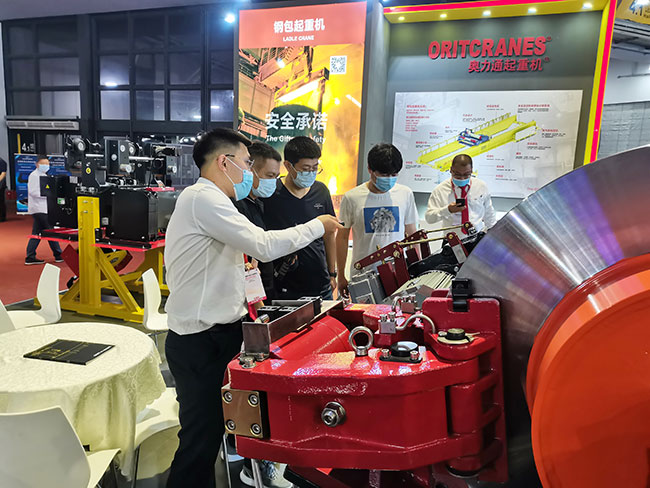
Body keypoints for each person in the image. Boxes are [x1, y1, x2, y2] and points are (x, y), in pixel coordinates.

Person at [163, 128, 341, 488]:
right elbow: (263, 244)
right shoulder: (203, 198)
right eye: (247, 164)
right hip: (201, 340)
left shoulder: (216, 201)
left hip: (219, 333)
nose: (251, 173)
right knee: (199, 440)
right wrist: (316, 226)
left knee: (216, 430)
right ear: (223, 162)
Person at [336, 143, 418, 296]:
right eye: (384, 175)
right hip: (363, 276)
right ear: (370, 169)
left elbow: (412, 234)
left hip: (399, 273)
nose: (389, 179)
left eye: (394, 174)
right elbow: (342, 237)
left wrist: (417, 267)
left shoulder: (405, 194)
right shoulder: (352, 197)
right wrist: (340, 275)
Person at [263, 136, 337, 300]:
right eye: (305, 169)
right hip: (284, 288)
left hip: (320, 285)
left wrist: (332, 273)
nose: (311, 173)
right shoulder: (271, 193)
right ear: (288, 166)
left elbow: (329, 235)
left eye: (315, 168)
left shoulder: (321, 191)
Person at [233, 141, 282, 303]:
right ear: (250, 170)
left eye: (276, 177)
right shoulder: (235, 206)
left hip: (266, 290)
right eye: (269, 176)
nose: (273, 182)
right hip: (249, 299)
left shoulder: (259, 203)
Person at [425, 153, 496, 234]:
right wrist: (448, 210)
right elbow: (429, 218)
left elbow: (489, 213)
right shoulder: (440, 190)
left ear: (471, 171)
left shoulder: (481, 186)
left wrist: (494, 233)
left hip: (477, 237)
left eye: (466, 175)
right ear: (451, 170)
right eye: (457, 175)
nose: (462, 178)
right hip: (452, 239)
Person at [25, 155, 63, 265]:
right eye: (43, 164)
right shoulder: (34, 175)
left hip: (43, 208)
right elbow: (33, 192)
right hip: (39, 209)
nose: (46, 166)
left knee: (37, 233)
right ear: (37, 164)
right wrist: (48, 194)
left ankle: (30, 256)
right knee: (50, 231)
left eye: (47, 164)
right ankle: (58, 254)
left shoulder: (44, 175)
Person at [0, 155, 7, 222]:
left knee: (1, 201)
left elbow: (3, 174)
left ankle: (2, 217)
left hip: (0, 185)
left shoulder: (2, 162)